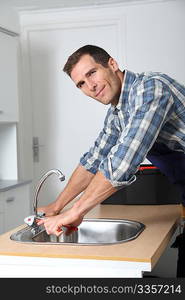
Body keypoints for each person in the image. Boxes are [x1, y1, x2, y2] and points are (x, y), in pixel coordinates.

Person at [37, 45, 185, 236]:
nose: (91, 86)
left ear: (112, 64)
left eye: (92, 73)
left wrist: (75, 211)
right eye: (81, 83)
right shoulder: (117, 114)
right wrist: (56, 206)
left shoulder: (150, 89)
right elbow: (93, 161)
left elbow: (124, 161)